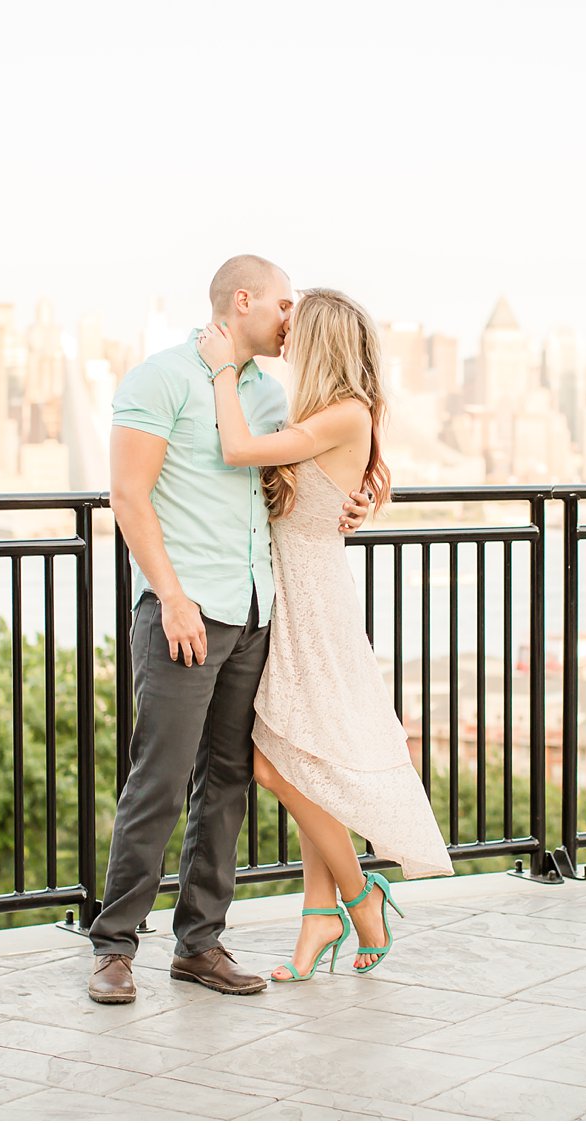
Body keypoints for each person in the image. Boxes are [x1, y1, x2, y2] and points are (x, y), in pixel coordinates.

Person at [88, 255, 370, 1005]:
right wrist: (172, 597)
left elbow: (308, 467)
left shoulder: (270, 395)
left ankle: (200, 944)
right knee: (157, 783)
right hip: (185, 614)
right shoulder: (161, 378)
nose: (291, 318)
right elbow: (128, 495)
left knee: (229, 783)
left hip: (256, 613)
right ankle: (114, 949)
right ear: (241, 301)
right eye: (282, 304)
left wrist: (363, 496)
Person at [195, 288, 452, 982]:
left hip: (316, 605)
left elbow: (238, 449)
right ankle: (317, 917)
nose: (285, 336)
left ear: (321, 343)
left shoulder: (344, 412)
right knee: (304, 758)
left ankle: (362, 897)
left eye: (295, 328)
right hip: (291, 597)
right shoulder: (320, 413)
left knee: (274, 764)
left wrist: (221, 367)